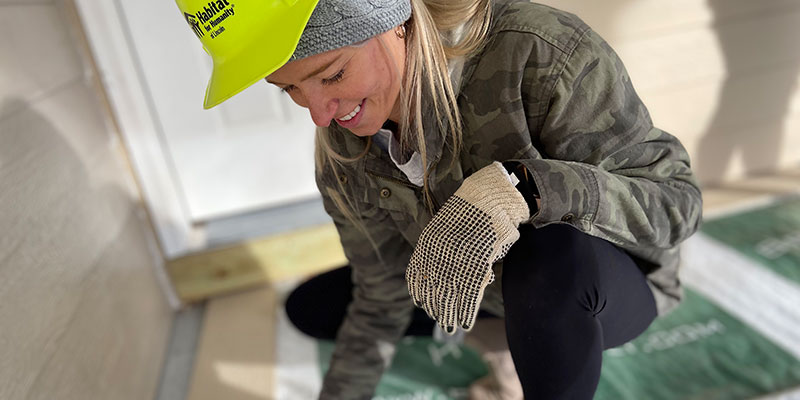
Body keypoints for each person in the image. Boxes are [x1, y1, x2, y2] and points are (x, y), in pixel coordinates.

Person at [174, 0, 703, 398]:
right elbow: (381, 298)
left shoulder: (540, 54)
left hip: (597, 285)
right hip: (488, 291)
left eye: (331, 74)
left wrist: (526, 188)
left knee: (544, 259)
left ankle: (532, 346)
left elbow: (677, 206)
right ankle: (504, 336)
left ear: (391, 18)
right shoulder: (344, 156)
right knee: (313, 308)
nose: (319, 114)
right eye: (288, 89)